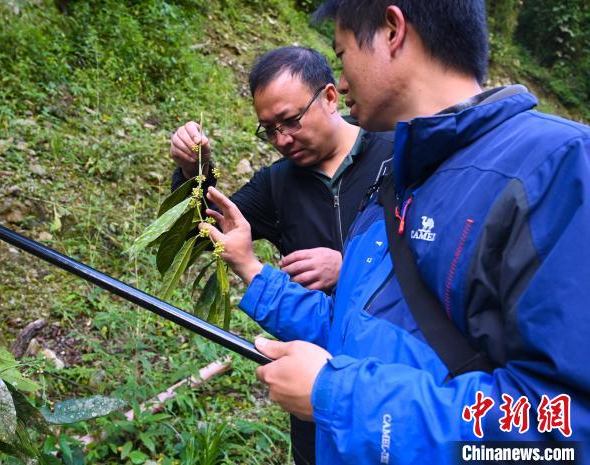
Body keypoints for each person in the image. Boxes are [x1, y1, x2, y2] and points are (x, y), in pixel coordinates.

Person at [200, 1, 590, 464]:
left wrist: (341, 397)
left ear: (392, 31)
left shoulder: (556, 168)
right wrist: (250, 267)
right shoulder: (396, 184)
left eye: (343, 55)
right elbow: (349, 327)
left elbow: (565, 427)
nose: (343, 83)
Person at [169, 46, 393, 464]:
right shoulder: (277, 184)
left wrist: (350, 268)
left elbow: (435, 256)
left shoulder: (395, 154)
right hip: (315, 381)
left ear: (330, 97)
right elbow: (199, 236)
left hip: (395, 379)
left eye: (291, 121)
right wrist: (193, 174)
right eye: (269, 130)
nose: (282, 140)